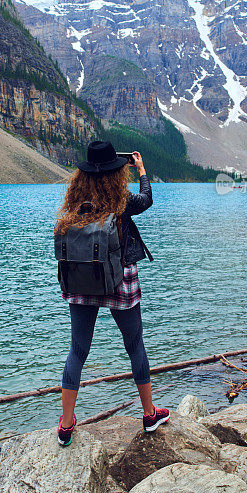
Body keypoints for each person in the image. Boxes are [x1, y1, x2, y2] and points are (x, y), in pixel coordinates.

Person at [54, 140, 169, 446]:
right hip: (120, 279)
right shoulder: (122, 200)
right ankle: (149, 414)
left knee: (78, 350)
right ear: (117, 172)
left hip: (81, 282)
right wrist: (142, 171)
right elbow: (146, 200)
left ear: (84, 173)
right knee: (134, 344)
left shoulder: (74, 203)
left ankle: (66, 424)